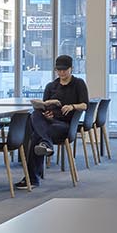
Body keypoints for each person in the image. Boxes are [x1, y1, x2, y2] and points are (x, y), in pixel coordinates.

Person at [26, 54, 90, 185]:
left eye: (64, 70)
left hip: (66, 125)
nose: (61, 72)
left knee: (36, 136)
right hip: (50, 122)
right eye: (59, 70)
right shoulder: (51, 86)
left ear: (71, 68)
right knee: (35, 115)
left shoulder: (78, 84)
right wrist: (46, 114)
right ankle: (46, 144)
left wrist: (72, 106)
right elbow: (44, 107)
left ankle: (32, 179)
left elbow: (85, 105)